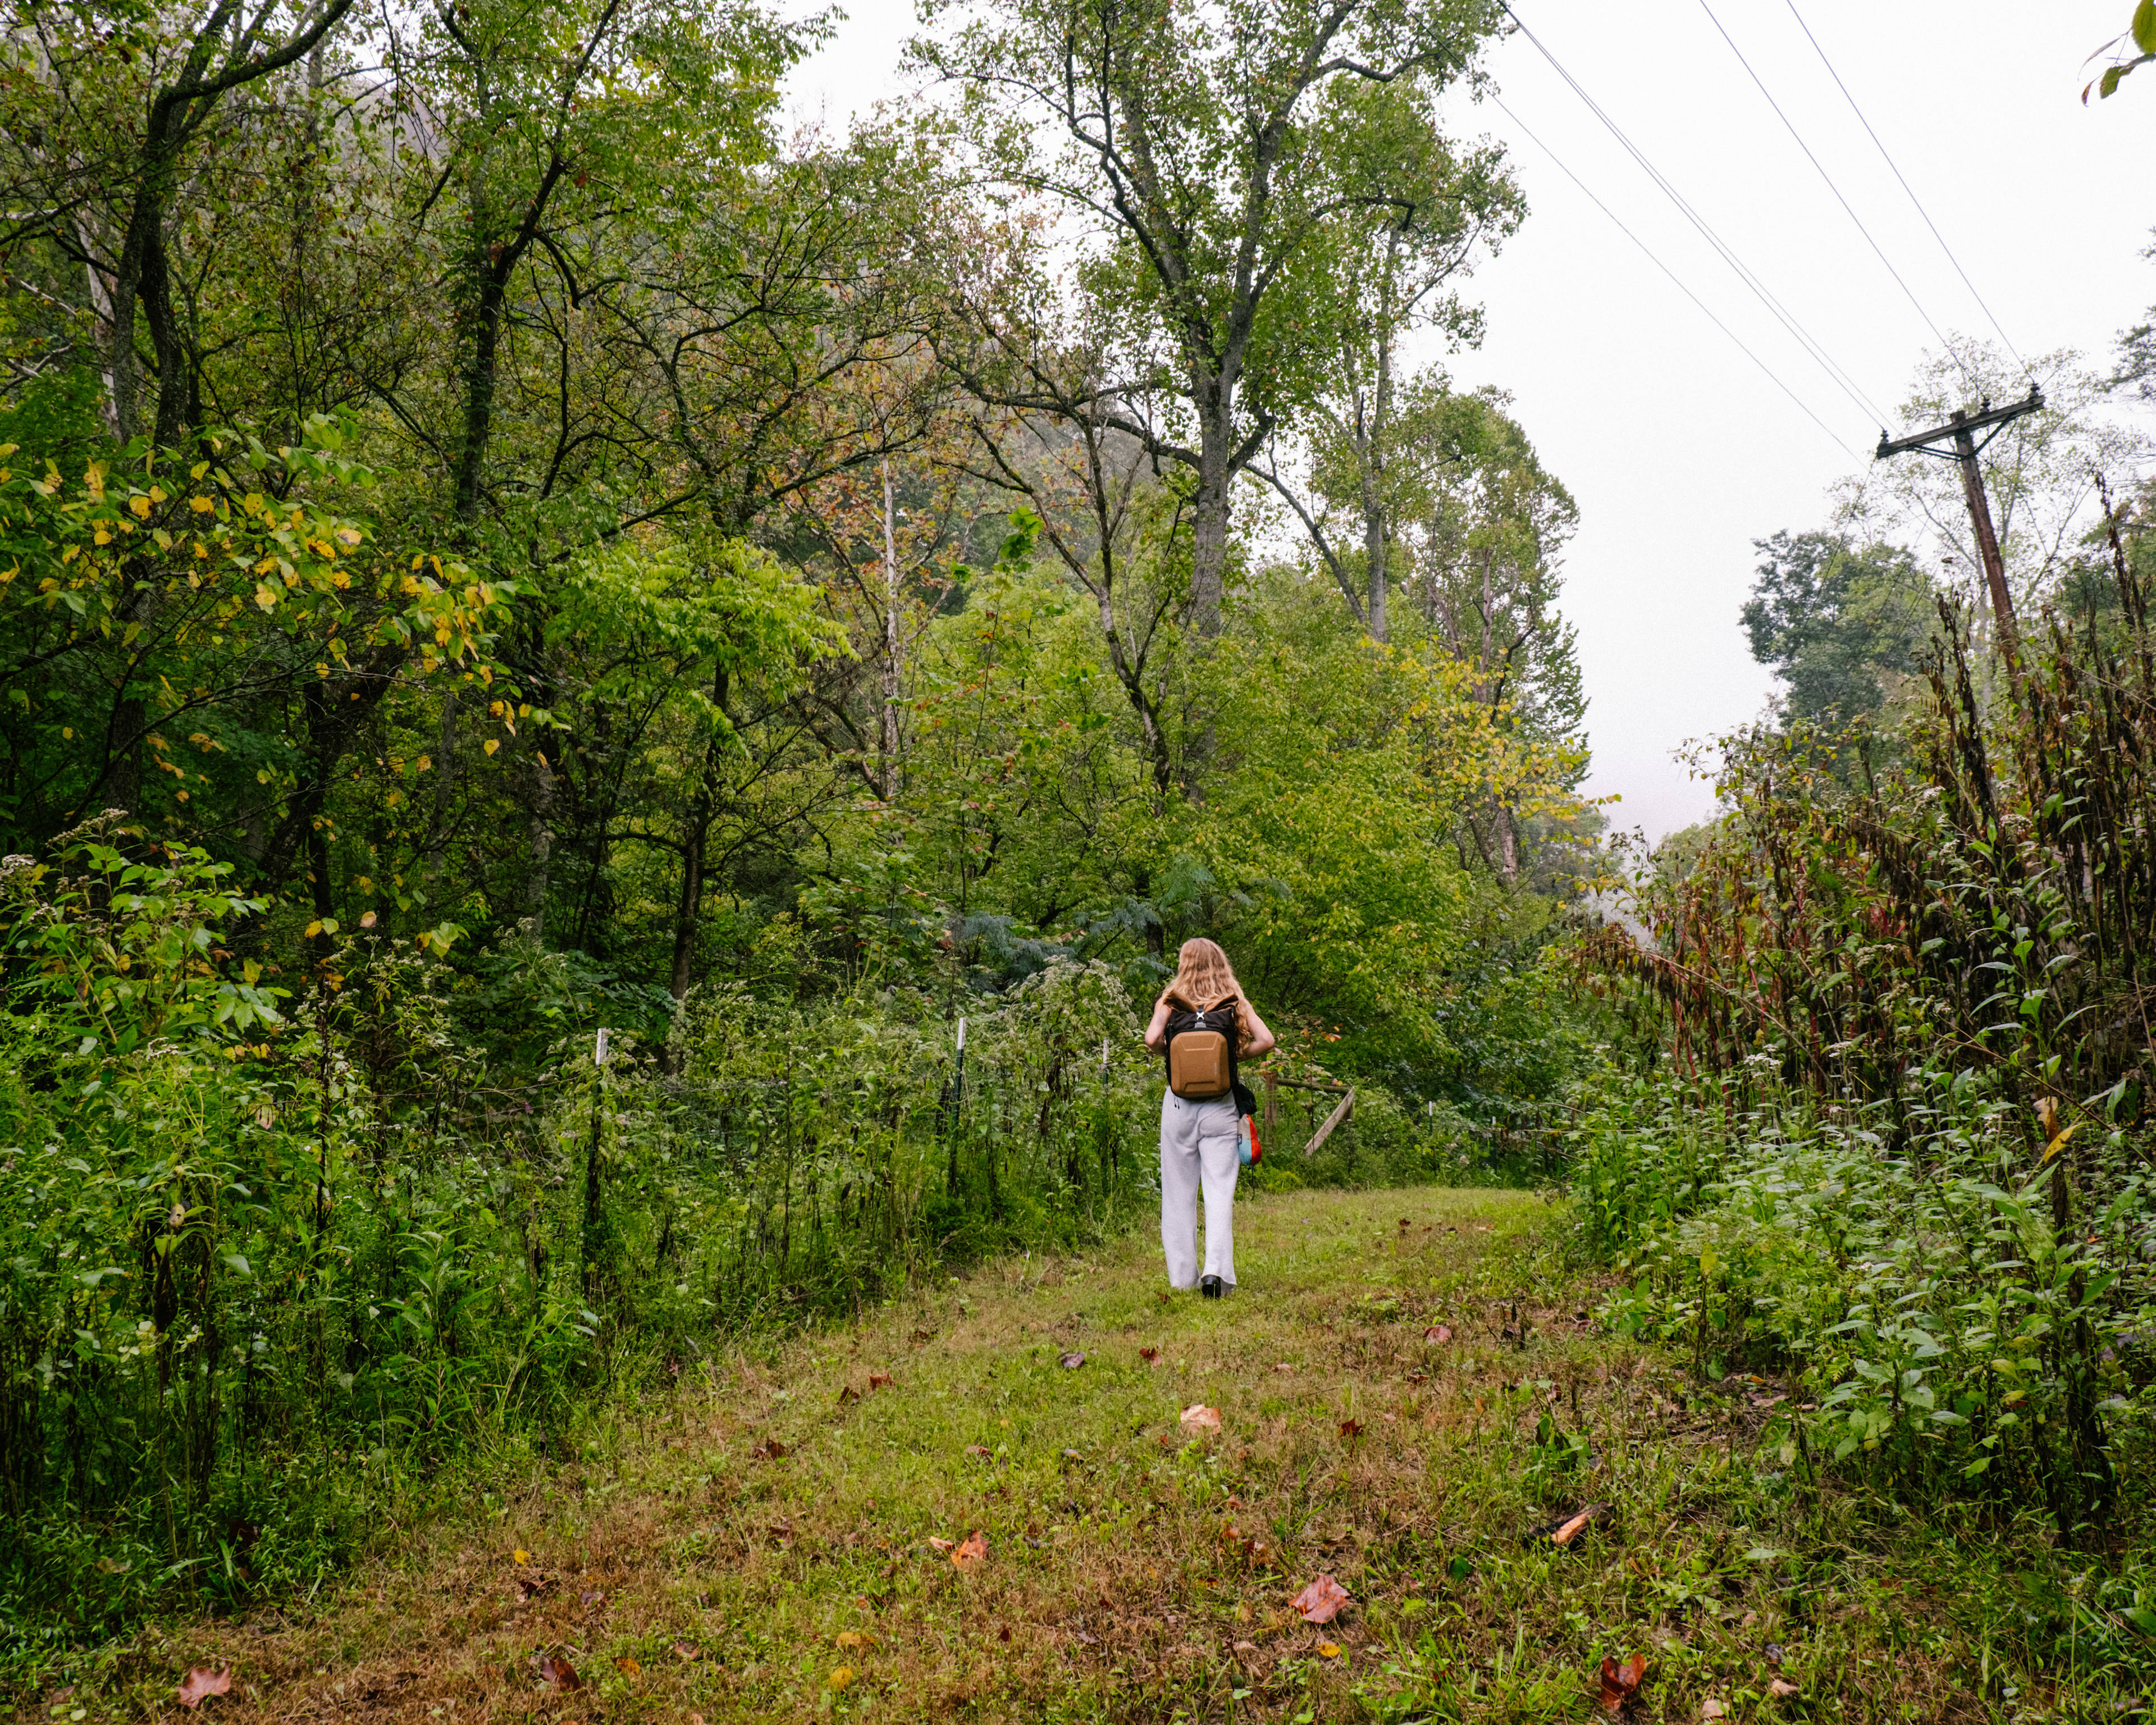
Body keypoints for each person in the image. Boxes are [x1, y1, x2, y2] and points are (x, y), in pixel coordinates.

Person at [1143, 938, 1276, 1299]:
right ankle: (1215, 1273)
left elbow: (1151, 1038)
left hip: (1179, 1109)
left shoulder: (1171, 1003)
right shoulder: (1233, 1003)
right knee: (1219, 1191)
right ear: (1221, 963)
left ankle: (1182, 1278)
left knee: (1177, 1194)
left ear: (1185, 964)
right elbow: (1267, 1040)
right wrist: (1232, 1059)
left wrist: (1174, 1057)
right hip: (1221, 1106)